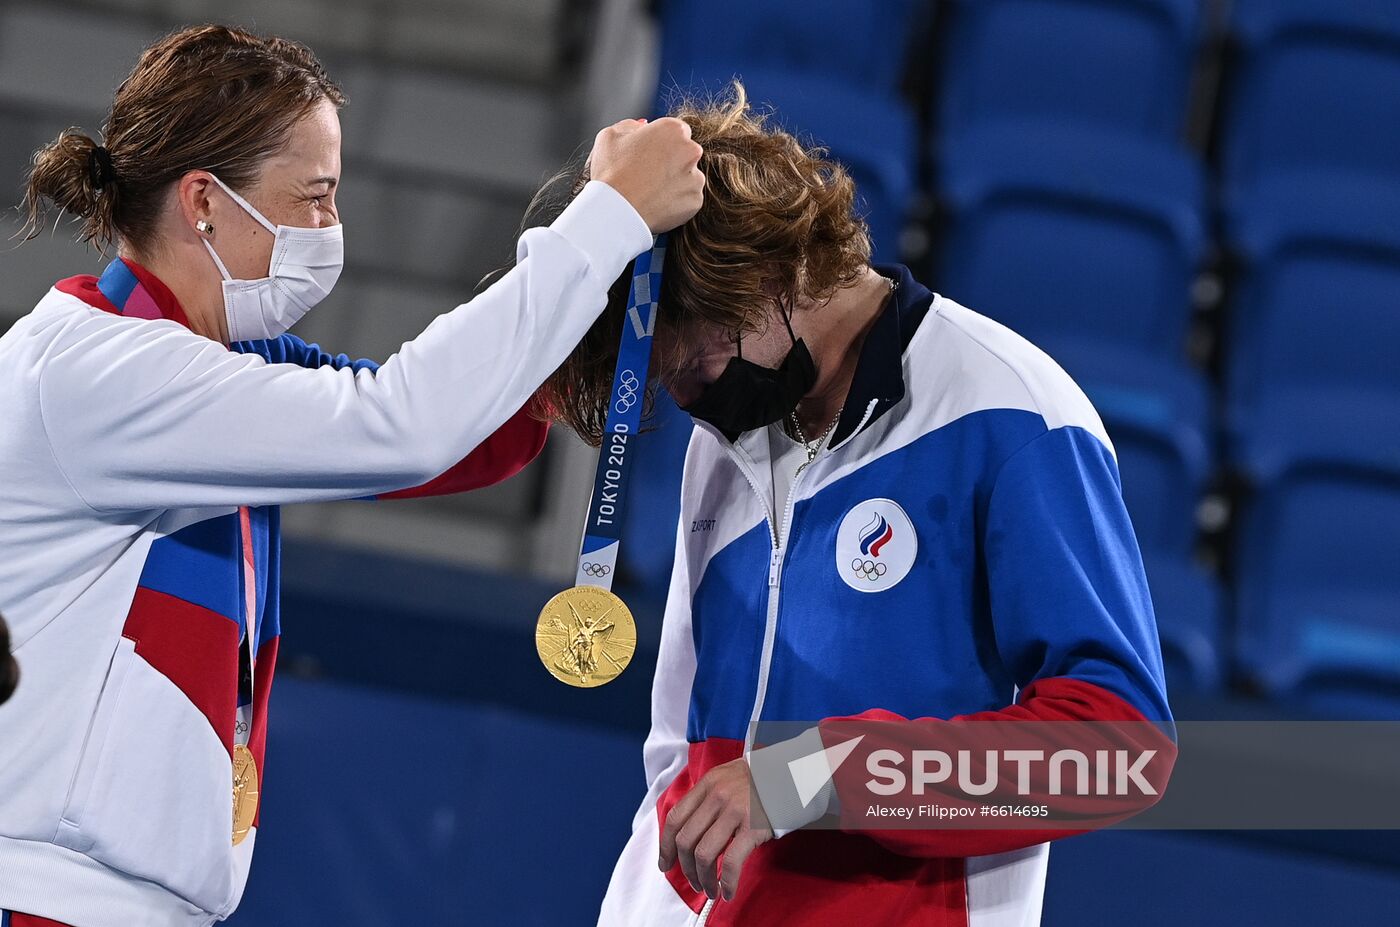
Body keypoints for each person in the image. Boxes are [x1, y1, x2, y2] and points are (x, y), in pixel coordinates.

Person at [0, 24, 703, 927]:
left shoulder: (208, 365)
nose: (331, 230)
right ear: (204, 201)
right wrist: (606, 217)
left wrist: (597, 304)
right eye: (314, 197)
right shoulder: (99, 373)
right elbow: (402, 425)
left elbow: (458, 440)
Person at [533, 85, 1175, 926]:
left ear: (776, 270)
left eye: (699, 367)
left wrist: (817, 774)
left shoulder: (1013, 414)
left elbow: (1119, 751)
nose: (691, 405)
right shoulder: (721, 445)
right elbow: (679, 757)